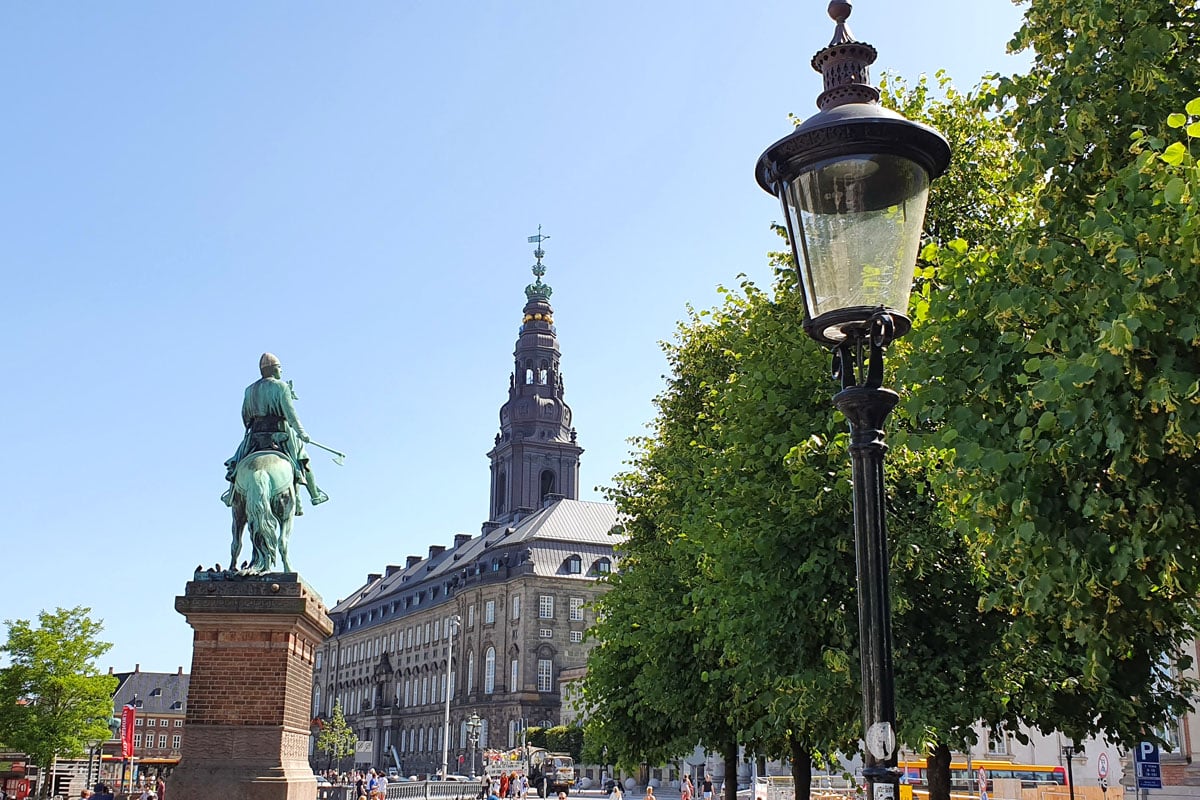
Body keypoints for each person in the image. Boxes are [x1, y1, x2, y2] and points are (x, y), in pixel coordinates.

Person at [222, 352, 329, 513]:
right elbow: (291, 414)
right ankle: (314, 494)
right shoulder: (281, 386)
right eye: (279, 368)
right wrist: (302, 433)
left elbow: (245, 417)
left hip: (255, 436)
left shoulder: (249, 390)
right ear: (273, 369)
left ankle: (231, 494)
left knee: (237, 461)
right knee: (302, 459)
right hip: (280, 432)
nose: (281, 371)